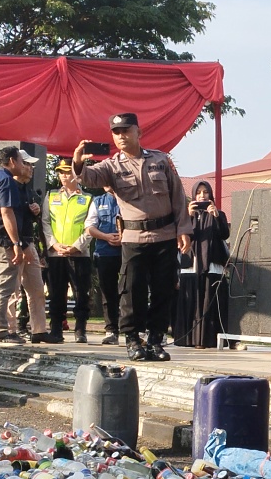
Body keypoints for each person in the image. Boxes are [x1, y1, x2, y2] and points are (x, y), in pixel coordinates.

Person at [73, 113, 187, 362]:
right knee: (131, 290)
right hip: (134, 237)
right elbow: (89, 178)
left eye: (126, 130)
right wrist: (78, 163)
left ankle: (156, 340)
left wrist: (184, 230)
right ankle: (133, 340)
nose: (121, 136)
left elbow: (178, 196)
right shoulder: (111, 166)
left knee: (163, 290)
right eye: (116, 132)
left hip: (165, 235)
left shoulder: (161, 160)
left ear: (139, 132)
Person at [0, 146, 48, 344]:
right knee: (4, 287)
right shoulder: (6, 181)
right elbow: (6, 213)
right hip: (3, 239)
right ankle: (0, 331)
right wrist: (16, 243)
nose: (28, 168)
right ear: (13, 161)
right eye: (24, 163)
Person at [41, 158, 93, 344]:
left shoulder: (87, 198)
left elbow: (90, 226)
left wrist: (77, 246)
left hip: (79, 254)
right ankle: (56, 329)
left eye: (67, 172)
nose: (63, 176)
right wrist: (53, 244)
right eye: (61, 172)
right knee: (56, 293)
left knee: (81, 292)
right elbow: (45, 222)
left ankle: (80, 329)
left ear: (77, 175)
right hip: (56, 254)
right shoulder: (51, 195)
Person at [175, 181, 232, 349]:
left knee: (208, 302)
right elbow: (179, 236)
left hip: (212, 266)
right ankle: (188, 339)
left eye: (205, 192)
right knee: (191, 301)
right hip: (190, 266)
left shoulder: (218, 214)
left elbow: (224, 234)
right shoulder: (185, 216)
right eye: (198, 192)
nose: (202, 195)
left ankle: (207, 339)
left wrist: (215, 216)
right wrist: (188, 217)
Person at [86, 186, 123, 345]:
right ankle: (111, 330)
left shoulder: (129, 198)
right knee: (108, 293)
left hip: (127, 251)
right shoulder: (98, 201)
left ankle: (133, 331)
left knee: (129, 291)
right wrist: (106, 236)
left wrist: (124, 237)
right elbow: (89, 227)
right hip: (104, 252)